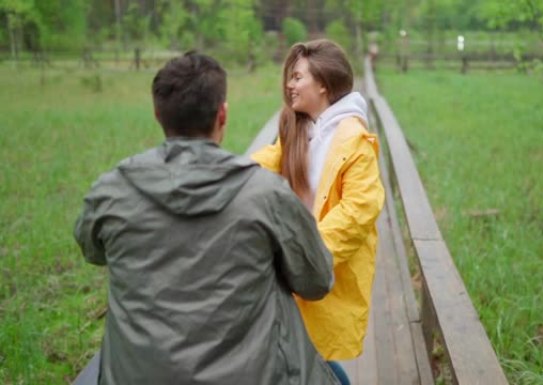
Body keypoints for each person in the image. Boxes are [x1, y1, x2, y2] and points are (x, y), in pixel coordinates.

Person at [74, 52, 340, 385]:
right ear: (222, 115)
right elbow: (317, 281)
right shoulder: (267, 196)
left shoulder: (111, 191)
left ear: (158, 114)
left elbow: (92, 250)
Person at [252, 39, 385, 384]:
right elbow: (262, 166)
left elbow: (359, 210)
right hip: (292, 261)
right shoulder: (298, 130)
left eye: (298, 77)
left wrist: (307, 254)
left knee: (303, 355)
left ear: (323, 83)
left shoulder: (354, 140)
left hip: (321, 266)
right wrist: (217, 176)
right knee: (293, 353)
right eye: (290, 77)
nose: (289, 84)